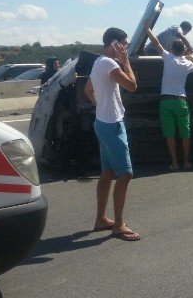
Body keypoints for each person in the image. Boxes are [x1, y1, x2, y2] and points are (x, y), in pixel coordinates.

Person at [84, 27, 140, 241]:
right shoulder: (110, 63)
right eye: (124, 44)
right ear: (115, 44)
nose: (126, 47)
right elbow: (133, 86)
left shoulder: (99, 62)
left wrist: (100, 106)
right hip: (112, 125)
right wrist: (126, 61)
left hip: (103, 122)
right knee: (125, 174)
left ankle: (101, 219)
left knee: (107, 172)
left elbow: (88, 90)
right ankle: (119, 225)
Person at [145, 23, 193, 171]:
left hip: (166, 101)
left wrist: (147, 29)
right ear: (183, 50)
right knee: (185, 133)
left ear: (172, 49)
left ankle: (174, 163)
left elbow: (156, 43)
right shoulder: (187, 63)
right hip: (181, 101)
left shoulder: (167, 58)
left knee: (169, 134)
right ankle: (186, 162)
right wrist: (192, 58)